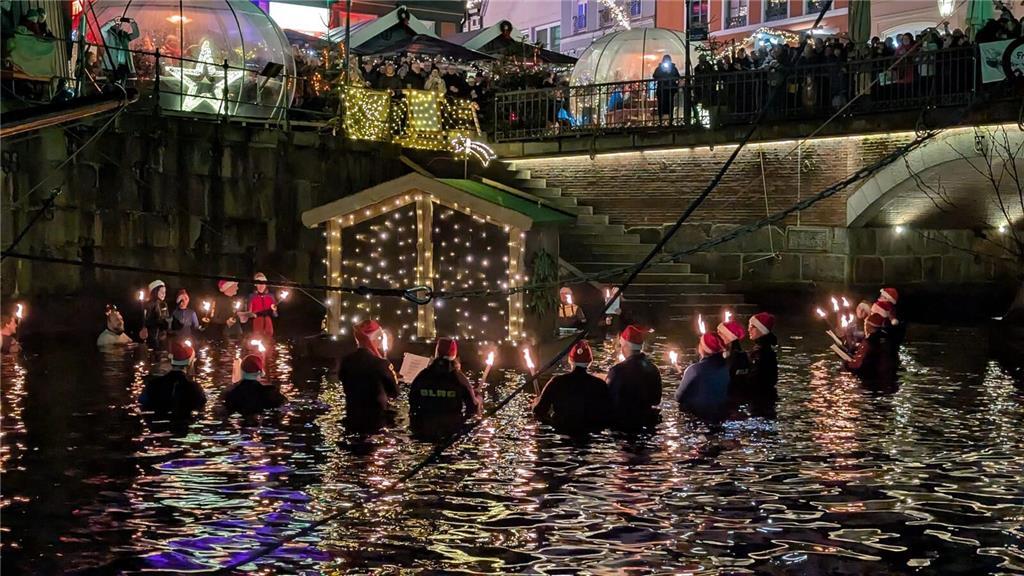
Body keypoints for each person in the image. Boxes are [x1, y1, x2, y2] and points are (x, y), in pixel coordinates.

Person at [532, 340, 611, 433]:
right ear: (590, 362)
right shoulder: (600, 385)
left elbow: (539, 411)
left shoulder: (557, 382)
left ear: (570, 360)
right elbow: (607, 414)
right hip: (589, 434)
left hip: (561, 433)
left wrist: (536, 404)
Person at [408, 337, 482, 435]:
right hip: (451, 430)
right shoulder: (459, 378)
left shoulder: (422, 376)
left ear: (436, 353)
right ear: (454, 355)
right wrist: (478, 398)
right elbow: (472, 408)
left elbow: (412, 402)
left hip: (424, 428)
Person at [338, 319, 399, 431]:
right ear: (374, 339)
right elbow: (394, 392)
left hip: (352, 417)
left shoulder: (346, 361)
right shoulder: (380, 363)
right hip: (376, 420)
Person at [606, 325, 662, 427]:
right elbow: (656, 400)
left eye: (622, 345)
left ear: (626, 346)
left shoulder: (617, 371)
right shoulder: (653, 369)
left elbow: (607, 399)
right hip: (647, 422)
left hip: (623, 424)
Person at [138, 340, 206, 416]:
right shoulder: (195, 389)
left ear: (171, 361)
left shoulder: (152, 384)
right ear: (190, 363)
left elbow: (142, 403)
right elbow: (201, 409)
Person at [675, 333, 730, 424]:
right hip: (721, 414)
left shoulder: (694, 370)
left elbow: (678, 397)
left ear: (703, 348)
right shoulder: (728, 367)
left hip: (698, 417)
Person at [223, 354, 287, 415]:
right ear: (261, 373)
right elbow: (284, 406)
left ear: (241, 371)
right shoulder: (270, 393)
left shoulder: (231, 394)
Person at [844, 313, 897, 383]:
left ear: (868, 326)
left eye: (865, 324)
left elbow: (856, 365)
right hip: (888, 376)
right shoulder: (889, 338)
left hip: (871, 378)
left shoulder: (868, 342)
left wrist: (846, 363)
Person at [743, 312, 779, 416]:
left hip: (760, 401)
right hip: (766, 399)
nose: (748, 329)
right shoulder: (765, 349)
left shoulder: (762, 353)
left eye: (752, 326)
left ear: (761, 330)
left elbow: (755, 380)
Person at [717, 320, 750, 385]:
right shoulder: (741, 355)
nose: (717, 335)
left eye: (719, 333)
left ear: (728, 336)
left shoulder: (735, 357)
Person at [140, 279, 171, 349]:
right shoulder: (159, 304)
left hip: (154, 337)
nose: (164, 294)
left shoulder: (148, 304)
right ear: (155, 292)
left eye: (165, 292)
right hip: (157, 337)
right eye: (161, 292)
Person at [652, 54, 681, 125]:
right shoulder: (659, 68)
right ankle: (661, 121)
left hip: (670, 90)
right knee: (661, 105)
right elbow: (655, 76)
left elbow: (677, 77)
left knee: (670, 104)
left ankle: (670, 120)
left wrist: (669, 73)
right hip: (662, 90)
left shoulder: (673, 68)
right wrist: (662, 72)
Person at [248, 273, 279, 338]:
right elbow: (249, 313)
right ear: (256, 285)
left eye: (263, 283)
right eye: (259, 284)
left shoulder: (270, 296)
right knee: (258, 338)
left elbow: (275, 315)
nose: (261, 286)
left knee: (268, 338)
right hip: (257, 321)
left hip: (268, 322)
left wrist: (274, 310)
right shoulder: (252, 296)